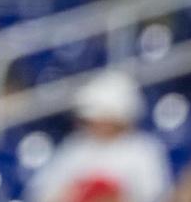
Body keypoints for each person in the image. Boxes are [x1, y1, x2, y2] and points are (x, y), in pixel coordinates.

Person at [25, 69, 172, 202]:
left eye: (101, 116)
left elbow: (155, 195)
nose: (96, 123)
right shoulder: (75, 146)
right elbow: (42, 192)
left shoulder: (144, 150)